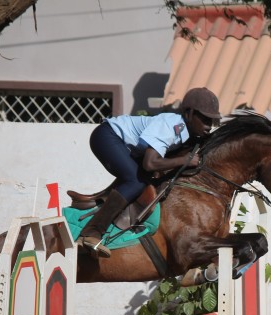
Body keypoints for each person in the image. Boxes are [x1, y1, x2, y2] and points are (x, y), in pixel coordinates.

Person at [77, 87, 221, 258]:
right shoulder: (171, 126)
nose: (209, 126)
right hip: (106, 136)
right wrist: (185, 161)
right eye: (205, 119)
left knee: (141, 180)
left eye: (212, 121)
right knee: (135, 182)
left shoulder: (187, 132)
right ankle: (91, 233)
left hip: (120, 142)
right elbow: (150, 163)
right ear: (189, 114)